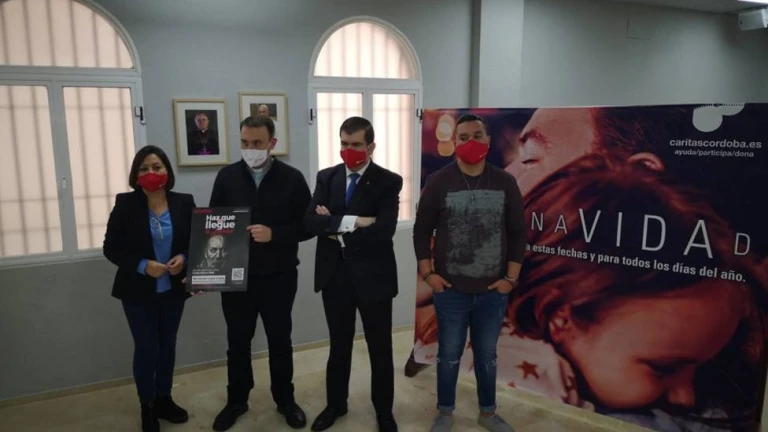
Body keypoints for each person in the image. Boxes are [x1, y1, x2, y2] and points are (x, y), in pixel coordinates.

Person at [504, 154, 767, 431]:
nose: (687, 398)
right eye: (664, 368)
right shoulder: (519, 383)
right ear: (560, 317)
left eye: (703, 369)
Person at [413, 114, 526, 432]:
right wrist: (428, 275)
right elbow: (421, 231)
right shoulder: (439, 181)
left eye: (477, 135)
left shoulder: (505, 182)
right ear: (455, 142)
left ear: (488, 140)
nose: (471, 142)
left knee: (487, 356)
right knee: (448, 355)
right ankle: (445, 412)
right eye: (463, 137)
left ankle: (487, 413)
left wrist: (510, 279)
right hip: (450, 291)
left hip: (492, 292)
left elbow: (518, 233)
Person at [207, 115, 313, 431]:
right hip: (235, 277)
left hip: (278, 275)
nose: (250, 148)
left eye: (257, 143)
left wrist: (275, 234)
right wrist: (207, 271)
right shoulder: (227, 177)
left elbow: (308, 226)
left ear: (272, 143)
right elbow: (213, 227)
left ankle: (285, 400)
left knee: (280, 340)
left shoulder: (292, 178)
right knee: (238, 343)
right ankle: (237, 400)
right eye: (245, 142)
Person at [304, 116, 402, 432]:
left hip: (374, 278)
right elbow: (310, 222)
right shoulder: (327, 176)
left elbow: (384, 231)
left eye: (356, 144)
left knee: (380, 348)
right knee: (339, 346)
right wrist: (357, 221)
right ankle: (335, 405)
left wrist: (333, 224)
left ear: (371, 147)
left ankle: (384, 412)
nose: (349, 150)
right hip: (335, 276)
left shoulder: (388, 181)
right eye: (344, 143)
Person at [103, 145, 197, 432]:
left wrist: (184, 258)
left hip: (173, 290)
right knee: (147, 347)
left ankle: (164, 399)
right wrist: (144, 265)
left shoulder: (184, 202)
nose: (151, 172)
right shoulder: (125, 204)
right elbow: (111, 248)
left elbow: (197, 241)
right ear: (136, 175)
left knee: (167, 345)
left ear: (167, 170)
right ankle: (147, 405)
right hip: (137, 291)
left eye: (156, 167)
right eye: (144, 168)